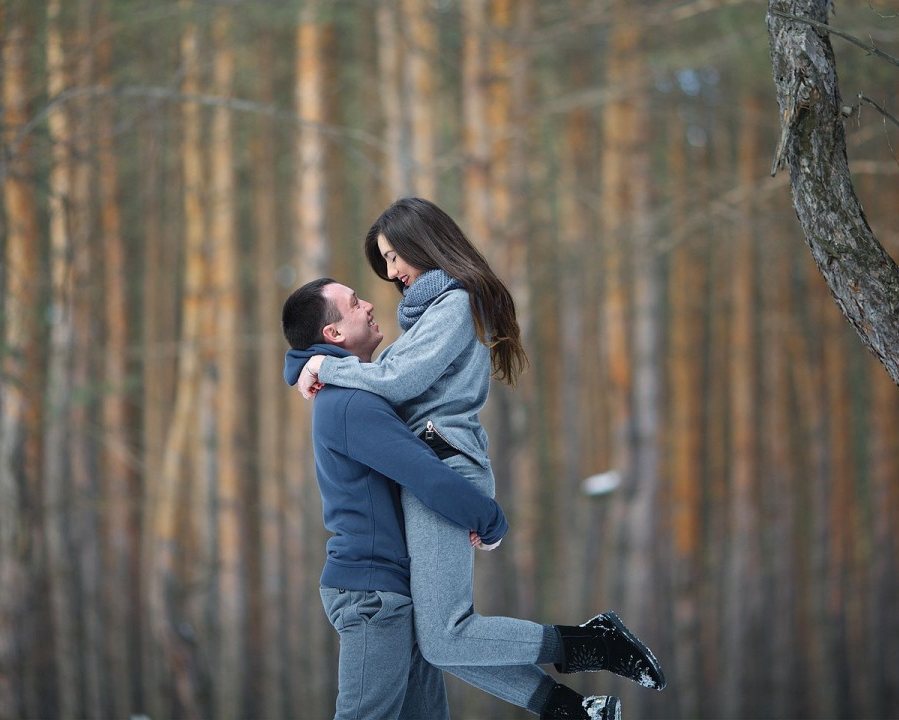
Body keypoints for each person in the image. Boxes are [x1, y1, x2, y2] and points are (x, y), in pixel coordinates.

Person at [292, 198, 665, 719]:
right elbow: (392, 383)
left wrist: (321, 368)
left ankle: (590, 644)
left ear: (425, 243)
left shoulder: (454, 304)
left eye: (395, 257)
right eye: (386, 262)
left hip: (444, 467)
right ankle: (570, 709)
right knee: (438, 636)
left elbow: (398, 383)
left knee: (445, 636)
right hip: (435, 468)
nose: (391, 273)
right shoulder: (427, 317)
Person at [281, 277, 515, 720]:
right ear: (333, 334)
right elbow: (427, 475)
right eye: (353, 303)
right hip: (372, 596)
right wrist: (489, 519)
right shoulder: (351, 402)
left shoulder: (355, 392)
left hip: (392, 592)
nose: (368, 304)